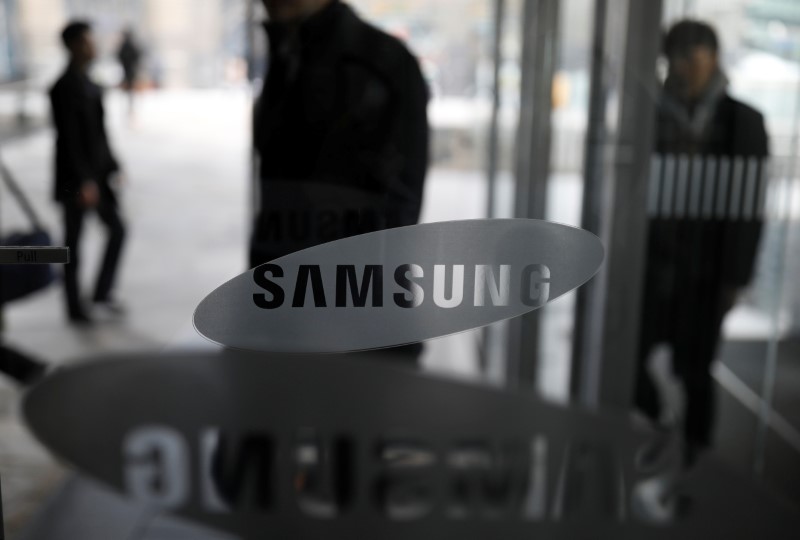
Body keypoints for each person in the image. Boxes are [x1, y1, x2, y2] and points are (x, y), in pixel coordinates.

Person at [635, 20, 768, 467]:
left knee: (696, 371)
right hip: (653, 262)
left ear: (713, 57)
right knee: (632, 358)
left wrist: (735, 277)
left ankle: (698, 461)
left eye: (693, 56)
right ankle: (658, 424)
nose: (683, 67)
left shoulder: (743, 122)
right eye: (675, 57)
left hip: (705, 269)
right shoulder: (649, 114)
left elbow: (748, 208)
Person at [250, 0, 429, 267]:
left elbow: (399, 211)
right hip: (287, 287)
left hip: (348, 292)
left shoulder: (380, 63)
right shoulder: (289, 52)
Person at [50, 20, 126, 324]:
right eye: (86, 41)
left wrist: (114, 165)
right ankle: (73, 307)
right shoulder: (62, 88)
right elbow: (68, 140)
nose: (92, 46)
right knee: (72, 245)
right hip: (76, 181)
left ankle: (101, 292)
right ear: (72, 46)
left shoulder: (90, 83)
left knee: (118, 230)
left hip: (98, 176)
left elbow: (99, 133)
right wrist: (83, 181)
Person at [116, 27, 141, 115]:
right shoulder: (130, 45)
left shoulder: (127, 45)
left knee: (129, 90)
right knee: (129, 90)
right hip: (128, 69)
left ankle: (129, 107)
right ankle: (128, 107)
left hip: (128, 69)